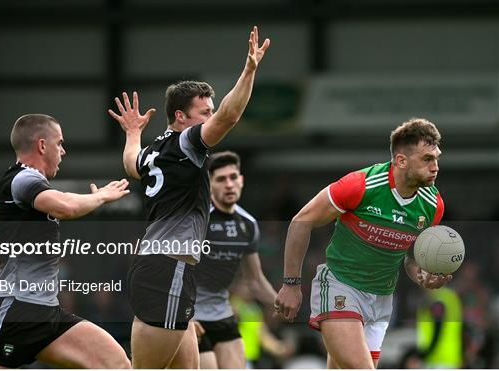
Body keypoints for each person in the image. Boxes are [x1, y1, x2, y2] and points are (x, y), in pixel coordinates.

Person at [108, 26, 270, 368]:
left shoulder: (155, 151)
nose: (210, 117)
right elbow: (230, 115)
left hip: (163, 267)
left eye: (210, 110)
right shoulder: (185, 144)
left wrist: (133, 133)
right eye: (204, 112)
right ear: (181, 117)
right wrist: (249, 71)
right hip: (168, 268)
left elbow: (131, 165)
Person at [275, 118, 451, 369]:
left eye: (437, 158)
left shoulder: (433, 205)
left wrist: (423, 274)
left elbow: (410, 257)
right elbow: (301, 220)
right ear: (401, 161)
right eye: (427, 159)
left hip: (380, 300)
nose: (435, 167)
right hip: (340, 287)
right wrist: (291, 284)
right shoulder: (361, 185)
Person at [0, 114, 131, 369]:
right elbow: (66, 206)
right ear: (42, 145)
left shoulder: (19, 184)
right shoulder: (24, 179)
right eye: (60, 143)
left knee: (115, 361)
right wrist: (101, 197)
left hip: (47, 312)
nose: (63, 151)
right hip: (15, 313)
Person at [186, 151, 278, 368]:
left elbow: (255, 280)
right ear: (209, 185)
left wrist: (279, 303)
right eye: (220, 179)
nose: (229, 184)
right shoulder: (195, 220)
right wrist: (185, 317)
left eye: (233, 177)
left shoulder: (248, 224)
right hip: (191, 317)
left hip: (221, 313)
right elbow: (172, 271)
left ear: (241, 180)